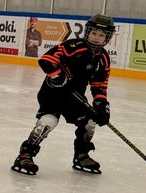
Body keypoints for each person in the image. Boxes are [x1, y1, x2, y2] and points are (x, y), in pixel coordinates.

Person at [11, 14, 114, 176]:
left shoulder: (104, 59)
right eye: (94, 33)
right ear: (87, 32)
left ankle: (81, 155)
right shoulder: (72, 46)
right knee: (48, 122)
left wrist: (101, 105)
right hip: (53, 93)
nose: (96, 38)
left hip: (75, 97)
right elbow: (46, 60)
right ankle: (25, 155)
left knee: (90, 121)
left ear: (107, 38)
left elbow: (99, 85)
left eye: (101, 35)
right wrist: (57, 74)